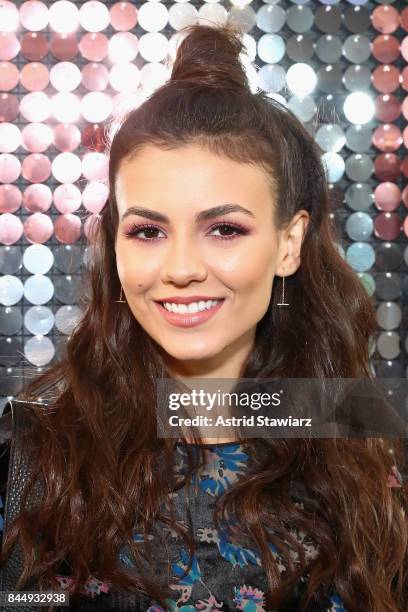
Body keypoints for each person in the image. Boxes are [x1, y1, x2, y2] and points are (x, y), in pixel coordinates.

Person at [0, 22, 407, 612]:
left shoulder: (363, 444)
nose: (181, 267)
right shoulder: (40, 457)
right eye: (148, 231)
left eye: (224, 229)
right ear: (116, 245)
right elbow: (20, 601)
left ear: (289, 242)